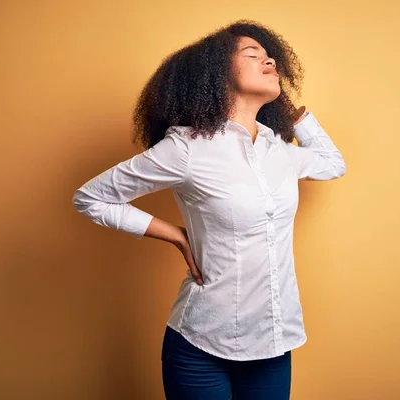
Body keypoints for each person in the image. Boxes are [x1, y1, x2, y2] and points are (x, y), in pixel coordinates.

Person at [72, 19, 346, 400]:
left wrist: (298, 118)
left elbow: (334, 164)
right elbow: (90, 197)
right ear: (216, 74)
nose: (270, 63)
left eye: (271, 58)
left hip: (273, 343)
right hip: (201, 344)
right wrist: (174, 235)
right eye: (253, 55)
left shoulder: (280, 151)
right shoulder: (186, 149)